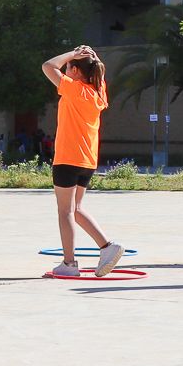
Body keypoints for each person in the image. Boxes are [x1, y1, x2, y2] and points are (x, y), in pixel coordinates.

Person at [43, 45, 120, 277]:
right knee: (75, 209)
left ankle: (69, 264)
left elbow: (47, 66)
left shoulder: (74, 89)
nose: (65, 70)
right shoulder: (98, 92)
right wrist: (91, 58)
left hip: (68, 157)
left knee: (65, 210)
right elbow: (98, 74)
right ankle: (107, 247)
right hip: (87, 160)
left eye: (69, 67)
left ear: (76, 70)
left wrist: (72, 55)